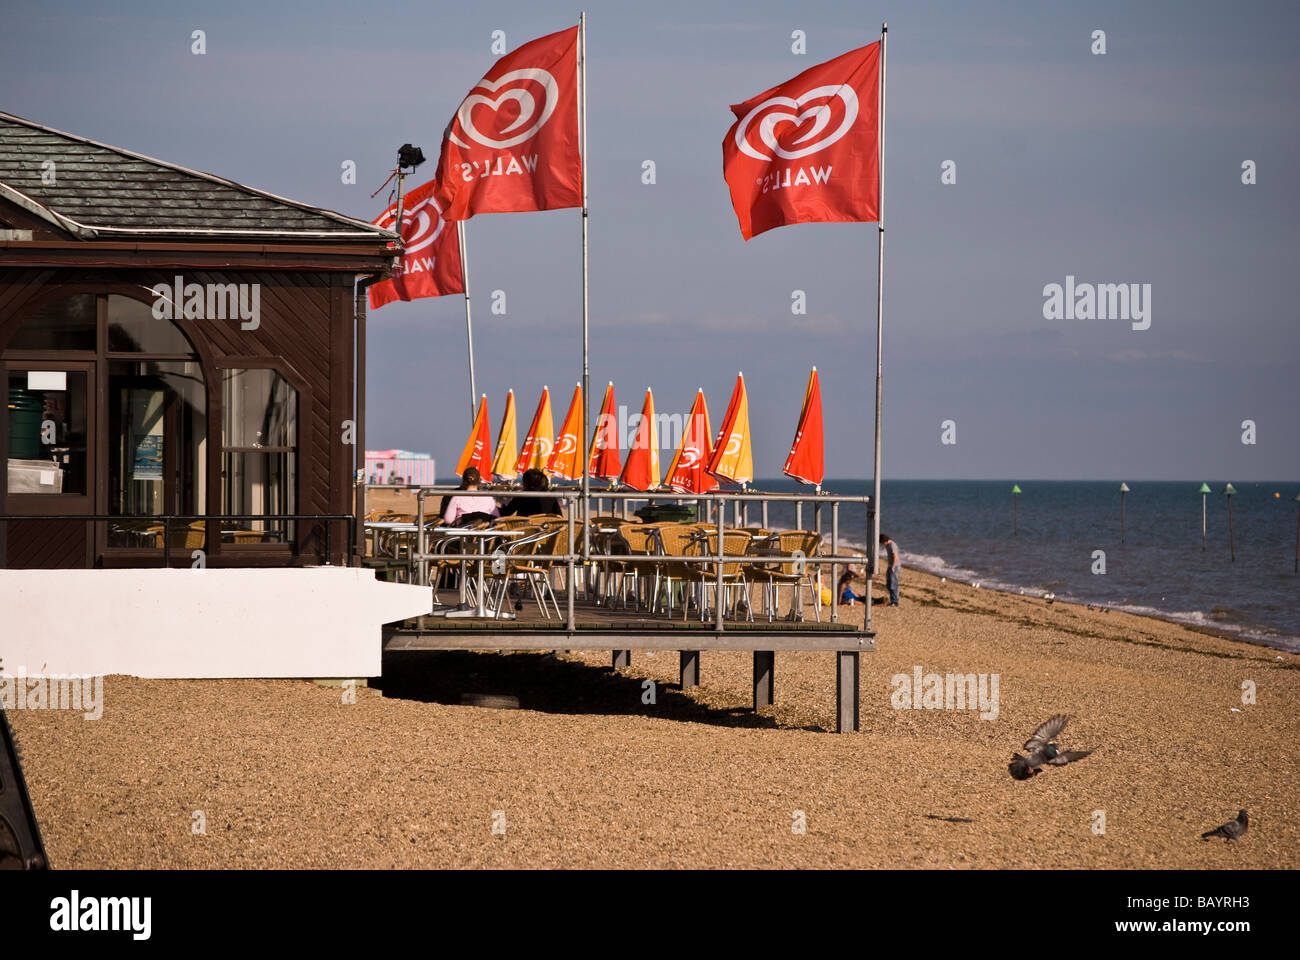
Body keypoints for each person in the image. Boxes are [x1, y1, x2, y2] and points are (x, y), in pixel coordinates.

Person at [498, 468, 565, 518]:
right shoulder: (550, 497)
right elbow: (559, 517)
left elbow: (505, 513)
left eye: (523, 482)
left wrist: (492, 508)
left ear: (527, 484)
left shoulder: (522, 497)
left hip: (526, 534)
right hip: (547, 534)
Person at [879, 533, 900, 606]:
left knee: (893, 584)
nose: (882, 544)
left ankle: (895, 601)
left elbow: (895, 556)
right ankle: (892, 600)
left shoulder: (892, 545)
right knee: (888, 584)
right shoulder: (888, 545)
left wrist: (893, 567)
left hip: (895, 566)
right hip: (890, 566)